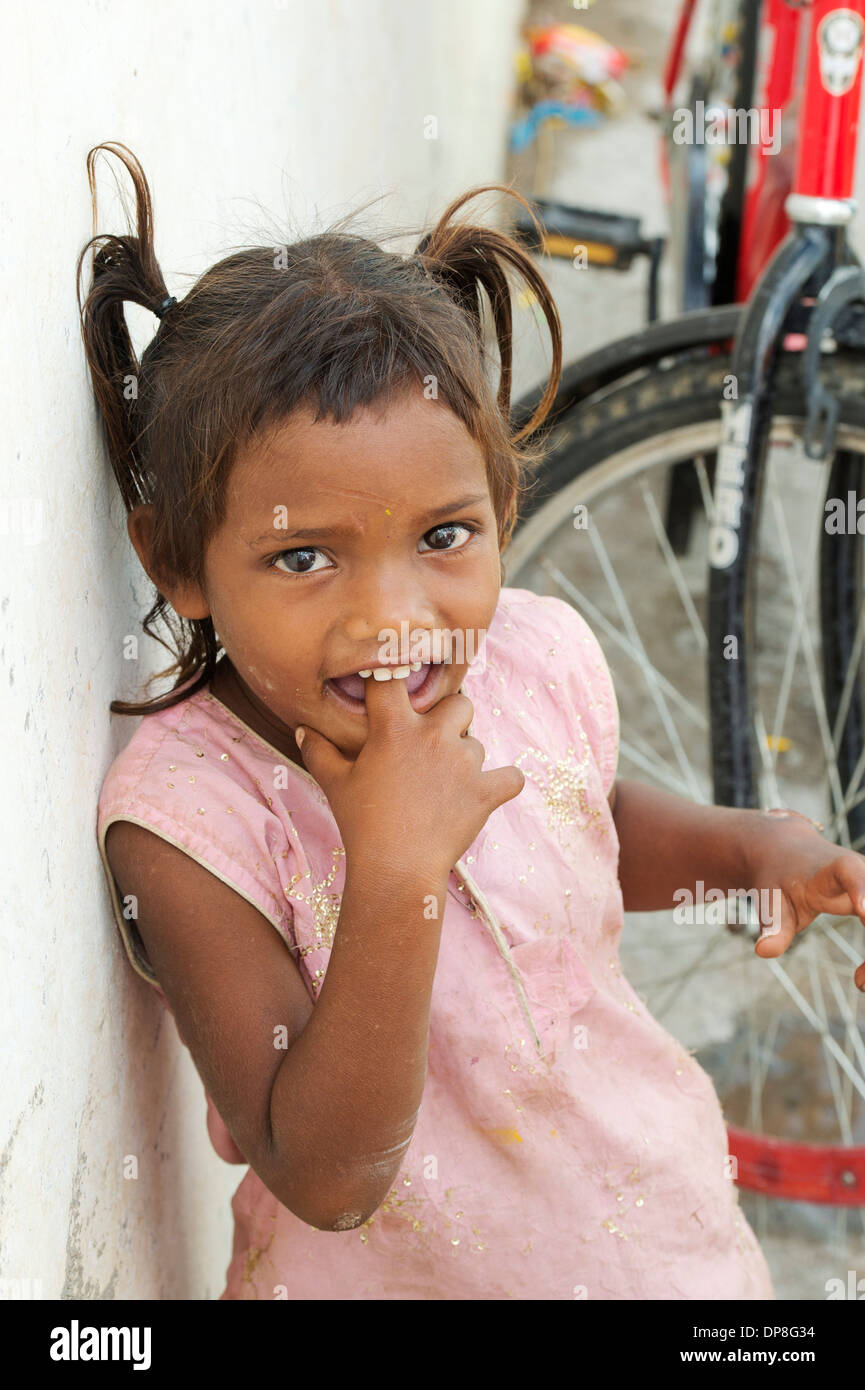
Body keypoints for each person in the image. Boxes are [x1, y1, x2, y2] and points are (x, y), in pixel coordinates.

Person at [81, 142, 865, 1301]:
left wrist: (754, 852)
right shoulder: (188, 819)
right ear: (178, 564)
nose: (393, 617)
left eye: (443, 536)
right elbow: (328, 1174)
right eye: (304, 556)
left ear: (503, 508)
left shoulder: (528, 655)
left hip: (649, 1245)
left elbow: (579, 815)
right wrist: (395, 867)